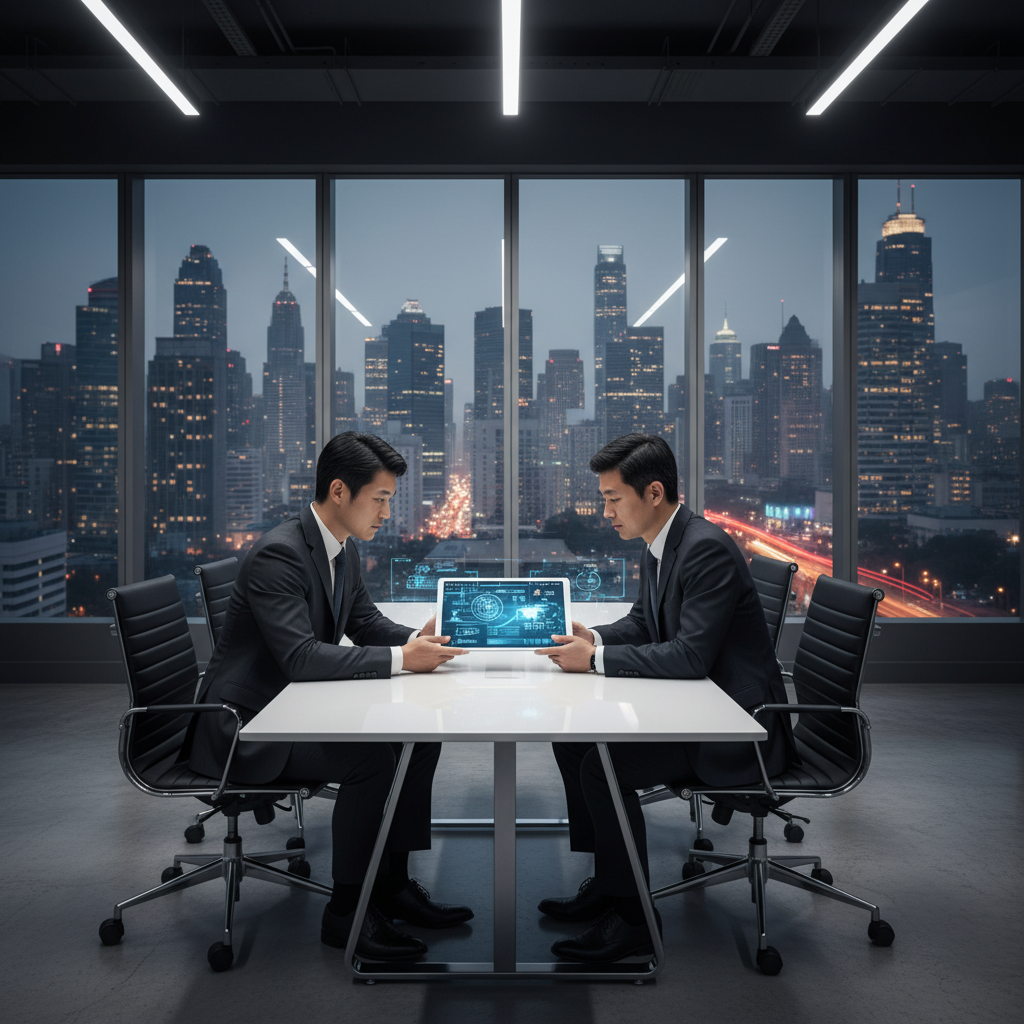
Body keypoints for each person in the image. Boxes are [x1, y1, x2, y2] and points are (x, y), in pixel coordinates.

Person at [188, 431, 471, 961]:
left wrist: (416, 642)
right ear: (339, 491)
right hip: (245, 727)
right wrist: (401, 662)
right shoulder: (281, 554)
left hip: (289, 707)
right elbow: (301, 658)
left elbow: (363, 623)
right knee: (369, 760)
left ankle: (391, 887)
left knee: (418, 740)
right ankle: (347, 914)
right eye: (381, 499)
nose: (388, 512)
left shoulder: (339, 548)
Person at [535, 433, 794, 963]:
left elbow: (688, 657)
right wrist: (597, 640)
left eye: (612, 499)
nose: (605, 511)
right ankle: (611, 883)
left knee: (600, 765)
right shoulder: (662, 544)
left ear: (653, 493)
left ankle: (632, 919)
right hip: (701, 707)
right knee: (573, 740)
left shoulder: (704, 549)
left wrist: (594, 662)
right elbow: (643, 622)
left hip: (739, 729)